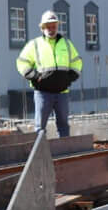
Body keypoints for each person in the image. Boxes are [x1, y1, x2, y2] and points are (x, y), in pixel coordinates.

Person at [17, 9, 82, 137]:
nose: (51, 29)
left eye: (54, 26)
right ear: (42, 28)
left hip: (62, 92)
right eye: (48, 26)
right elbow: (22, 62)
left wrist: (69, 78)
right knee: (40, 127)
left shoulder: (66, 44)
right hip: (43, 93)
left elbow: (77, 62)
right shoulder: (34, 44)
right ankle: (41, 149)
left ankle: (64, 149)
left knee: (63, 126)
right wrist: (35, 76)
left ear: (57, 26)